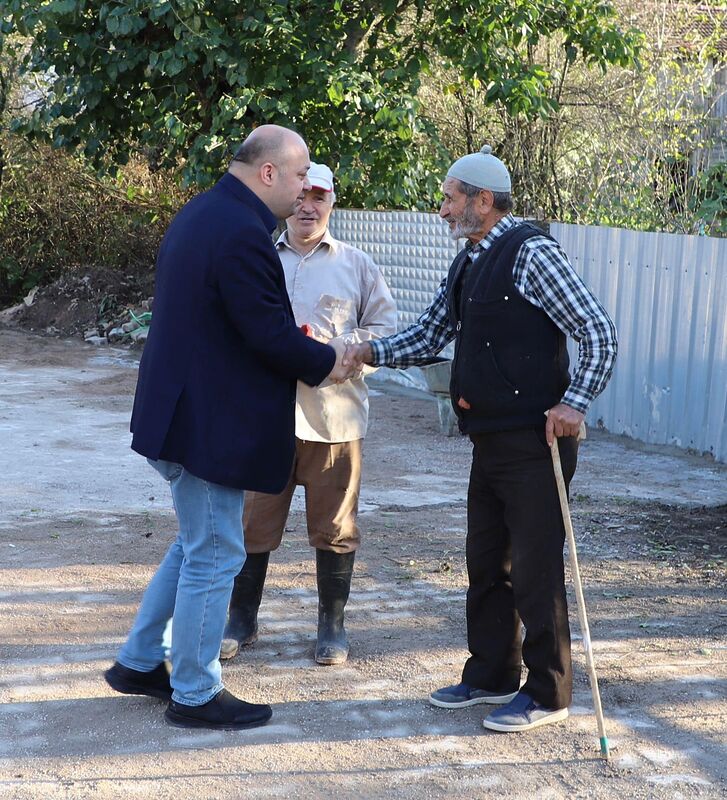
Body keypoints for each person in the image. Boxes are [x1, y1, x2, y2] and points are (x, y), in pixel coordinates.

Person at [344, 145, 617, 733]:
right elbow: (431, 331)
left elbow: (597, 327)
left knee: (537, 567)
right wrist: (366, 352)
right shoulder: (472, 258)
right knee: (486, 560)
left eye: (449, 198)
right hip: (491, 439)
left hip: (535, 441)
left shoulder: (531, 254)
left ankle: (548, 694)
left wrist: (575, 403)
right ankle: (492, 673)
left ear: (482, 200)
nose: (442, 210)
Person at [104, 125, 356, 731]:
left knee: (196, 543)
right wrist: (330, 361)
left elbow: (230, 326)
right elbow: (266, 334)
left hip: (181, 415)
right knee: (216, 552)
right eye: (299, 177)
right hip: (202, 424)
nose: (304, 193)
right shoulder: (241, 232)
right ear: (267, 172)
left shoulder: (205, 213)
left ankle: (140, 662)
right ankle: (193, 691)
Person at [220, 162, 397, 665]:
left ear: (331, 203)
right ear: (289, 196)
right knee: (252, 523)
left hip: (334, 420)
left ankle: (332, 626)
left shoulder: (357, 265)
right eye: (302, 195)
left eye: (319, 197)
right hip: (265, 420)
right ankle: (242, 619)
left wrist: (339, 346)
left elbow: (386, 331)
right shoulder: (258, 257)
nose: (307, 206)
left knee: (335, 528)